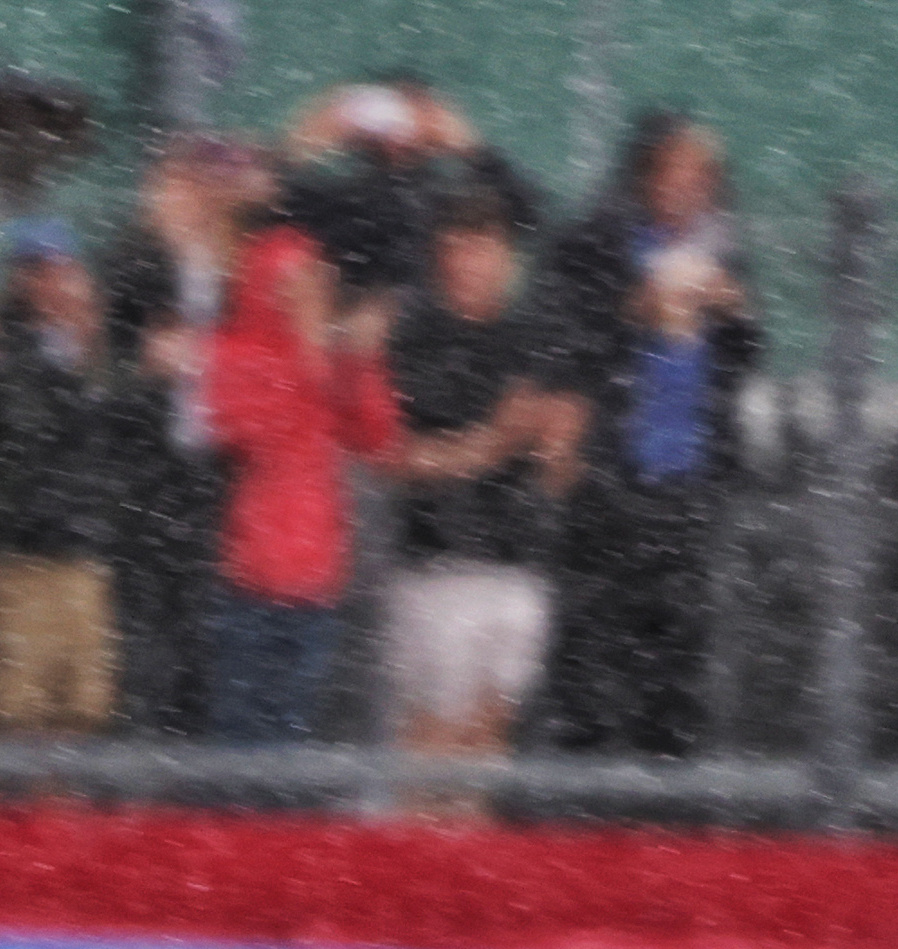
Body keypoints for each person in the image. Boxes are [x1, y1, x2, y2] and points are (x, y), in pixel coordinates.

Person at [534, 109, 759, 757]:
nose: (691, 188)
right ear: (644, 175)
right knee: (591, 652)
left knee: (678, 655)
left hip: (688, 488)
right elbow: (563, 342)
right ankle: (586, 799)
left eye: (703, 177)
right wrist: (635, 308)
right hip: (608, 486)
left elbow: (743, 356)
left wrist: (731, 304)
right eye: (676, 173)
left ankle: (669, 805)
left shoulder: (720, 251)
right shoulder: (596, 244)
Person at [383, 199, 579, 786]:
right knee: (429, 745)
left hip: (517, 568)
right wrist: (493, 442)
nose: (474, 263)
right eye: (462, 248)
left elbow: (557, 473)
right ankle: (414, 868)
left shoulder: (534, 341)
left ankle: (469, 867)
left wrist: (556, 444)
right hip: (437, 569)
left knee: (489, 747)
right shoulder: (415, 340)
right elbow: (395, 457)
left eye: (487, 248)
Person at [188, 220, 392, 745]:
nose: (307, 299)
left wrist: (357, 360)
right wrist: (311, 353)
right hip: (250, 580)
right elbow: (241, 429)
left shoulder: (329, 358)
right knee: (240, 732)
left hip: (316, 579)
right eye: (294, 287)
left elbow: (375, 433)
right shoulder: (236, 351)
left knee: (291, 733)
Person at [93, 134, 265, 739]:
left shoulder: (231, 272)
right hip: (146, 475)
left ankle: (183, 769)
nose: (191, 201)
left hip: (208, 474)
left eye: (199, 189)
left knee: (198, 632)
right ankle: (141, 764)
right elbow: (101, 366)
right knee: (142, 636)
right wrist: (146, 365)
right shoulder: (132, 262)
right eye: (180, 188)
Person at [0, 224, 145, 736]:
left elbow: (116, 436)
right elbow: (28, 430)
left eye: (62, 269)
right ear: (19, 279)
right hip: (23, 554)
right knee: (13, 708)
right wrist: (73, 363)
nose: (56, 284)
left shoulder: (97, 353)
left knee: (79, 707)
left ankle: (60, 816)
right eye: (41, 271)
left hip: (84, 550)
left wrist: (86, 354)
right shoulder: (2, 346)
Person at [273, 75, 540, 304]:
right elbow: (265, 207)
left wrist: (470, 146)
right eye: (386, 113)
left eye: (413, 112)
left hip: (426, 328)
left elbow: (530, 216)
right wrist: (304, 141)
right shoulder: (340, 196)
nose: (399, 129)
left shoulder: (452, 200)